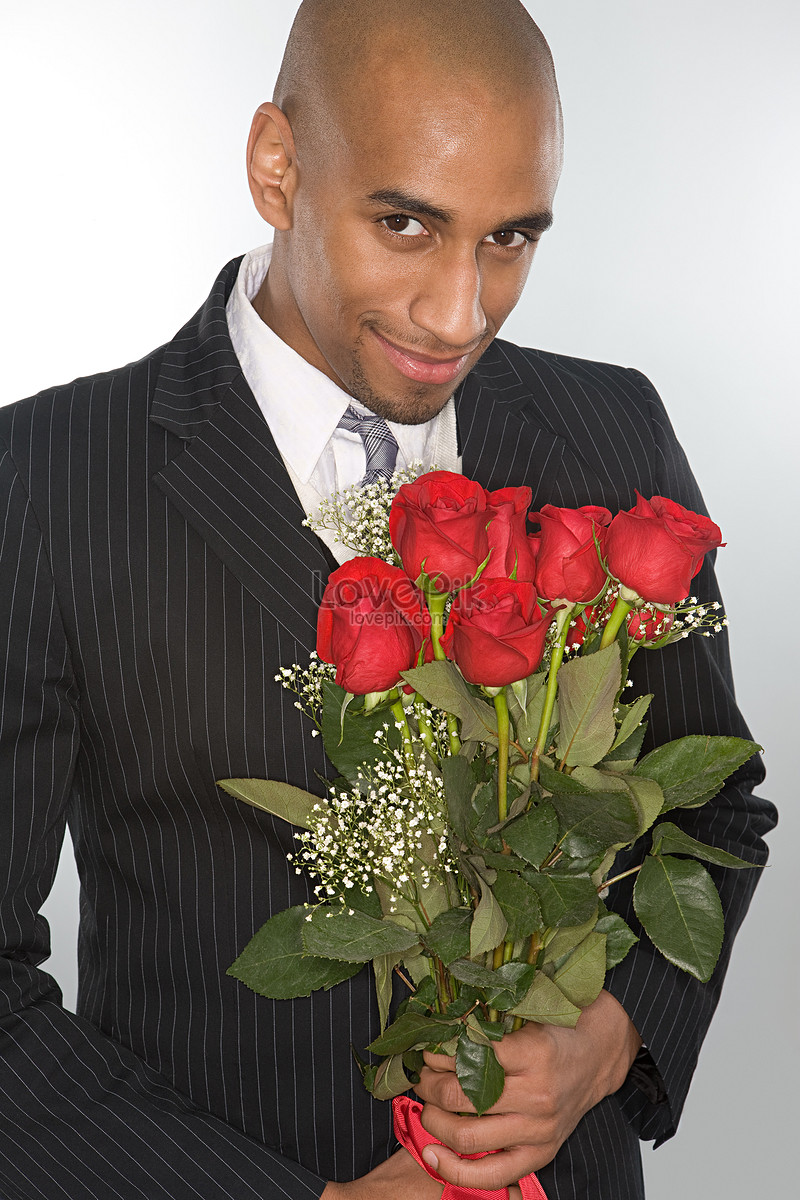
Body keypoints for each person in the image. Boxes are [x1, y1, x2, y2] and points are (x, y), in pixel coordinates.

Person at [0, 2, 774, 1198]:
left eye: (510, 238)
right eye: (405, 224)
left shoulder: (611, 428)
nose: (457, 313)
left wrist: (612, 1038)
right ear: (277, 164)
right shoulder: (49, 477)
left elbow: (716, 814)